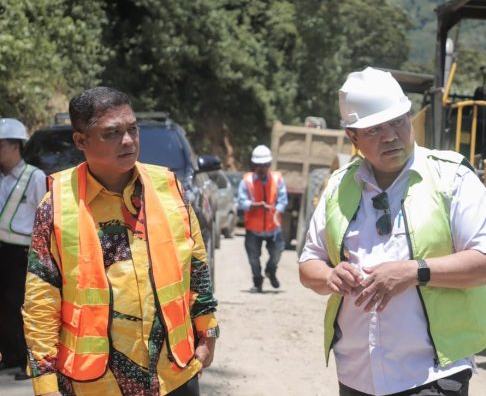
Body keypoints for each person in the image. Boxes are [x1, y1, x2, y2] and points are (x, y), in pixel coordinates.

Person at [299, 67, 486, 396]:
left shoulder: (452, 178)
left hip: (430, 374)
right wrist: (329, 277)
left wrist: (413, 272)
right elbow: (309, 263)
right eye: (376, 129)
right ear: (353, 136)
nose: (391, 135)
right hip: (356, 375)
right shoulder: (339, 186)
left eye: (398, 121)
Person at [22, 87, 219, 396]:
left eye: (132, 129)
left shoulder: (169, 189)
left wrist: (208, 332)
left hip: (173, 374)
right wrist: (44, 381)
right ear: (81, 141)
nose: (128, 141)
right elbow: (42, 298)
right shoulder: (57, 206)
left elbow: (197, 267)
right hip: (96, 383)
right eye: (111, 133)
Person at [0, 118, 46, 380]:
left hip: (23, 253)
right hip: (2, 251)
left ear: (16, 145)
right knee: (3, 308)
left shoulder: (34, 177)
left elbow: (44, 215)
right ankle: (11, 357)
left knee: (22, 307)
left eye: (1, 145)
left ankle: (30, 362)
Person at [238, 144, 288, 291]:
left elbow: (283, 201)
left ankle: (270, 271)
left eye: (265, 165)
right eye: (259, 165)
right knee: (253, 258)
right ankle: (257, 281)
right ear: (254, 165)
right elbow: (241, 202)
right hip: (253, 229)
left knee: (277, 252)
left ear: (269, 165)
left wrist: (276, 211)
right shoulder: (246, 182)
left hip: (273, 228)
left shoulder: (278, 179)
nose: (262, 169)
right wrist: (255, 205)